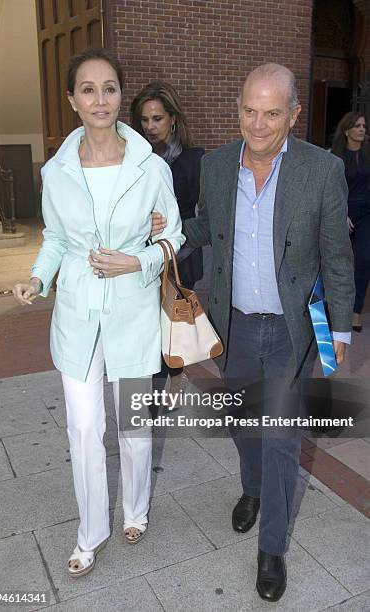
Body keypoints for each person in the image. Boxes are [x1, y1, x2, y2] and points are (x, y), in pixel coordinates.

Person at [152, 63, 354, 602]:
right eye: (249, 110)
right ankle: (253, 490)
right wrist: (163, 235)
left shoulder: (321, 170)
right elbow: (202, 226)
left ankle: (272, 550)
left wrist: (339, 332)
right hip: (235, 325)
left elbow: (337, 255)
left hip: (293, 331)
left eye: (272, 113)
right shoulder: (217, 167)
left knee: (282, 438)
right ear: (237, 109)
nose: (258, 124)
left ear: (293, 115)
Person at [13, 48, 184, 578]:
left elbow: (173, 236)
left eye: (109, 88)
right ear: (72, 100)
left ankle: (135, 508)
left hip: (132, 310)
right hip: (77, 317)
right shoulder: (57, 170)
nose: (100, 98)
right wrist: (39, 277)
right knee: (84, 430)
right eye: (88, 89)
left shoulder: (151, 167)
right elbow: (57, 239)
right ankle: (91, 530)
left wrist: (137, 259)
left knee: (132, 427)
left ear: (119, 97)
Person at [130, 82, 204, 395]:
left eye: (157, 119)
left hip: (179, 258)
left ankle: (167, 385)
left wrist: (172, 228)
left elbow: (204, 215)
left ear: (172, 118)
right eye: (144, 120)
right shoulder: (134, 159)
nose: (150, 126)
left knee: (171, 327)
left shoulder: (192, 159)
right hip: (142, 255)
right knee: (150, 327)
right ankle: (165, 381)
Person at [331, 111, 370, 332]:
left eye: (364, 126)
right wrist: (340, 213)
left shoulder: (368, 152)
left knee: (364, 260)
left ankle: (355, 311)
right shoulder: (335, 156)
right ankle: (333, 309)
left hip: (366, 214)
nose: (362, 129)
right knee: (337, 263)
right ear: (347, 130)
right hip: (342, 213)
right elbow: (332, 190)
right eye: (357, 126)